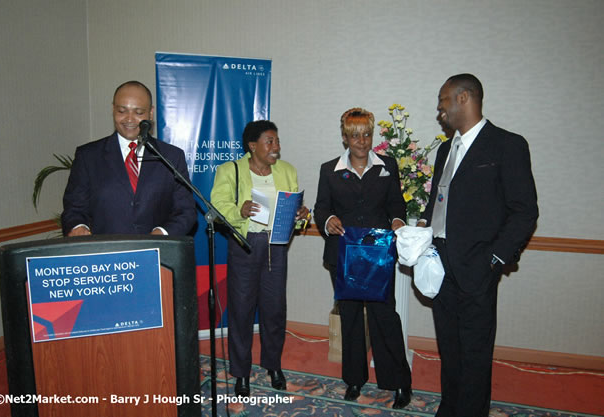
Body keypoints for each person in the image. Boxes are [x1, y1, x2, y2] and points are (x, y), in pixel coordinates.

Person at [419, 74, 538, 417]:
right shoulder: (445, 149)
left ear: (463, 98)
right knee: (450, 349)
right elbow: (437, 205)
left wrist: (494, 259)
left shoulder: (506, 145)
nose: (439, 110)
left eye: (442, 101)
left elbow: (524, 211)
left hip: (478, 268)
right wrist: (422, 232)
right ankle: (450, 408)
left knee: (474, 353)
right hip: (440, 267)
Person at [314, 108, 413, 409]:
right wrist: (328, 219)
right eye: (355, 135)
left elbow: (397, 204)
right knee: (351, 318)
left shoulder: (388, 166)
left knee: (385, 317)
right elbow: (321, 208)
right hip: (344, 255)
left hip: (377, 254)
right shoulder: (329, 169)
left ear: (372, 136)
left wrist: (397, 220)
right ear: (345, 138)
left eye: (366, 134)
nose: (361, 141)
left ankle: (398, 381)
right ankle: (354, 379)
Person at [210, 120, 309, 397]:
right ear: (252, 146)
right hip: (245, 246)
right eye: (270, 141)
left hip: (276, 246)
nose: (276, 147)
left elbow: (294, 208)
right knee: (241, 312)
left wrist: (302, 216)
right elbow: (218, 205)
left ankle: (273, 365)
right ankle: (241, 373)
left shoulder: (287, 170)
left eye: (277, 141)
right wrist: (238, 211)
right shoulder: (230, 170)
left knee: (274, 310)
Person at [62, 81, 196, 236]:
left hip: (158, 255)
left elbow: (186, 211)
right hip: (106, 255)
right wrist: (77, 226)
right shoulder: (88, 156)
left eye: (138, 112)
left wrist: (162, 234)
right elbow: (74, 208)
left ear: (150, 113)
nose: (129, 119)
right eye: (121, 111)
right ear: (113, 109)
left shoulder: (171, 156)